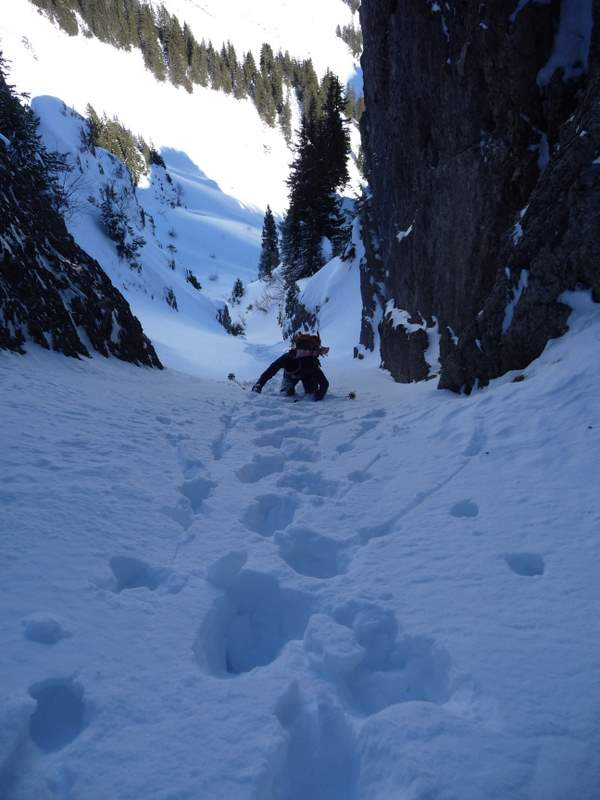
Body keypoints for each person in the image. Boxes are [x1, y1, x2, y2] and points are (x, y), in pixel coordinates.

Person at [252, 333, 330, 400]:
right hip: (295, 376)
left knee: (307, 393)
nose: (303, 353)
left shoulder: (304, 360)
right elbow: (271, 370)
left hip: (300, 376)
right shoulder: (291, 358)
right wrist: (319, 395)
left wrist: (259, 385)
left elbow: (271, 370)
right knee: (288, 393)